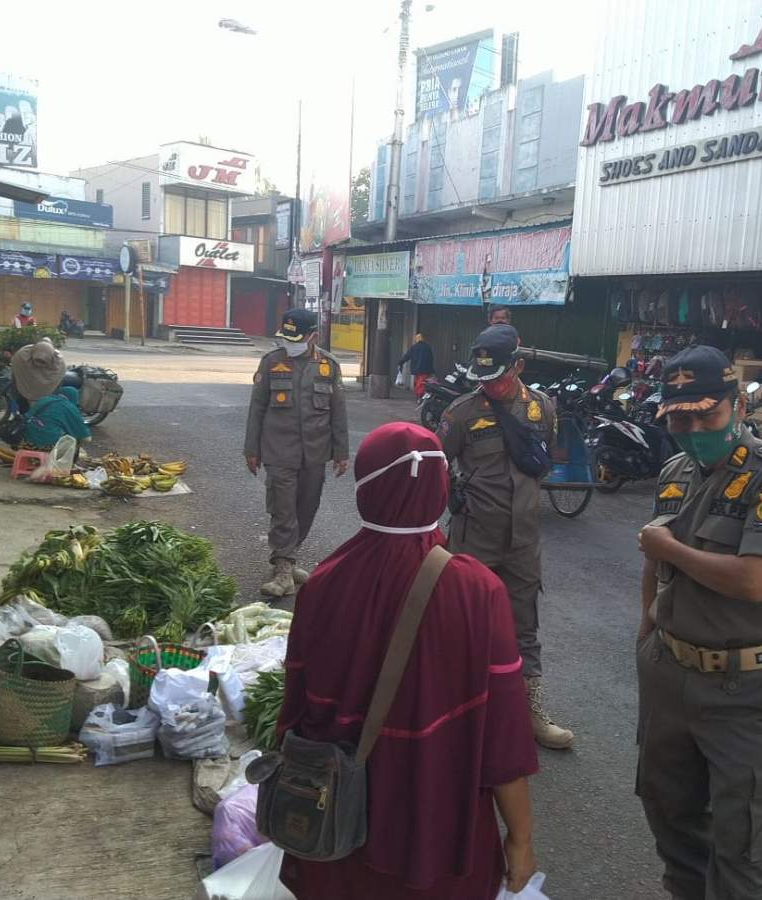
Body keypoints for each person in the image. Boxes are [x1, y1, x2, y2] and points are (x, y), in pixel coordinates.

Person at [276, 422, 539, 900]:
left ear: (365, 487)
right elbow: (504, 736)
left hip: (336, 825)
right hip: (434, 827)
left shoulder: (322, 585)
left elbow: (293, 712)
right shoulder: (477, 591)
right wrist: (521, 839)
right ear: (440, 488)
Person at [635, 344, 762, 900]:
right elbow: (655, 561)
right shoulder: (675, 470)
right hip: (671, 673)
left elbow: (756, 581)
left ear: (737, 405)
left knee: (739, 848)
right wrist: (647, 633)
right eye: (680, 418)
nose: (692, 430)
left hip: (744, 687)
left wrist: (668, 548)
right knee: (671, 820)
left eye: (705, 415)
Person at [436, 324, 574, 750]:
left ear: (518, 365)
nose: (490, 385)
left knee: (523, 625)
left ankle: (528, 711)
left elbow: (543, 464)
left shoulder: (543, 408)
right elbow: (437, 465)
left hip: (523, 540)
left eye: (497, 376)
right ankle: (456, 712)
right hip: (474, 535)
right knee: (464, 623)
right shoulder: (460, 413)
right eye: (482, 377)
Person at [244, 308, 350, 597]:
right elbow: (257, 409)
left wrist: (342, 452)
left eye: (296, 338)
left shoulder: (328, 365)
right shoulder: (271, 363)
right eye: (286, 337)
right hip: (279, 450)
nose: (289, 343)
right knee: (283, 509)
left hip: (315, 452)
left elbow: (338, 412)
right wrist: (251, 449)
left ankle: (288, 558)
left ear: (313, 336)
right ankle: (282, 569)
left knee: (307, 507)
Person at [23, 386, 90, 449]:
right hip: (48, 443)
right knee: (72, 440)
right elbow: (86, 438)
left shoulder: (44, 399)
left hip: (26, 439)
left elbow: (28, 415)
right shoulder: (70, 407)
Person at [10, 338, 65, 407]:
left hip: (45, 400)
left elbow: (57, 385)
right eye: (38, 360)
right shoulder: (22, 356)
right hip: (23, 395)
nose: (40, 362)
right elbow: (16, 375)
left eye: (43, 361)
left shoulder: (59, 364)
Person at [397, 332, 436, 399]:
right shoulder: (427, 347)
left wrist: (401, 362)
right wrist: (432, 369)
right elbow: (431, 358)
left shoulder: (414, 347)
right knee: (421, 383)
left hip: (416, 369)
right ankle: (420, 396)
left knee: (418, 383)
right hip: (425, 370)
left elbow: (407, 356)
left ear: (416, 339)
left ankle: (419, 396)